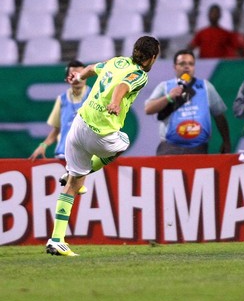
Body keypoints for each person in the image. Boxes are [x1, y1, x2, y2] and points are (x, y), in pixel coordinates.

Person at [46, 35, 160, 257]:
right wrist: (115, 102)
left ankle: (56, 239)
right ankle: (82, 171)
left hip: (78, 127)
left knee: (72, 184)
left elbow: (89, 68)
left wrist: (78, 75)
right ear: (151, 59)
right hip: (101, 135)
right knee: (123, 143)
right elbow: (123, 87)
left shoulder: (116, 61)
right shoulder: (140, 75)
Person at [144, 49, 231, 155]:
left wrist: (226, 141)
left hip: (199, 147)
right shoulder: (165, 86)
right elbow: (148, 109)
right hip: (170, 147)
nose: (187, 67)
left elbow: (219, 116)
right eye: (182, 64)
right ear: (175, 67)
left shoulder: (205, 86)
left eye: (191, 64)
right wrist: (169, 97)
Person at [28, 60, 89, 161]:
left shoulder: (94, 97)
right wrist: (43, 145)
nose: (78, 78)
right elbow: (57, 129)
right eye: (73, 75)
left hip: (86, 155)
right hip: (63, 155)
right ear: (67, 79)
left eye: (81, 75)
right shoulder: (62, 99)